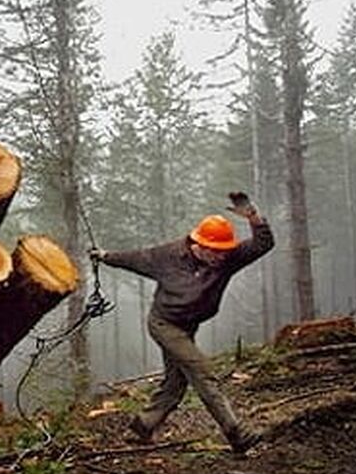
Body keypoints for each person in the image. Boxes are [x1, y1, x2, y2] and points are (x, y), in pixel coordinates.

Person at [90, 192, 274, 453]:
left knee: (175, 384)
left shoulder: (227, 257)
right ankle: (237, 434)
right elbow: (134, 258)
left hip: (188, 327)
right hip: (164, 324)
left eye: (225, 252)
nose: (222, 257)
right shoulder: (167, 256)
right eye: (217, 252)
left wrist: (253, 217)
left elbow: (263, 245)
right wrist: (105, 256)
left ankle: (141, 428)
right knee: (201, 371)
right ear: (199, 245)